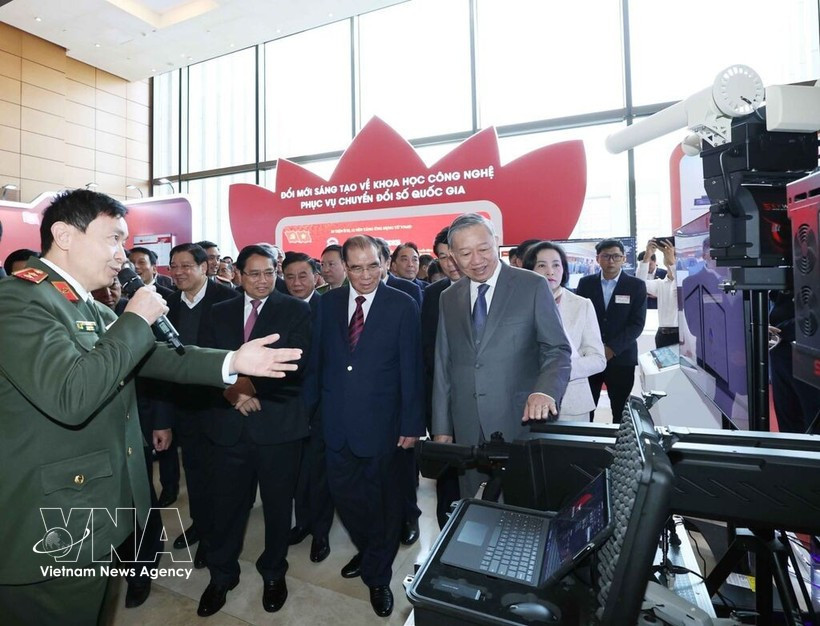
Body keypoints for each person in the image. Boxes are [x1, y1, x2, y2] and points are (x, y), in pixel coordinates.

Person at [0, 189, 302, 626]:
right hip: (52, 517)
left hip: (92, 505)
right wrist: (136, 319)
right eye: (113, 239)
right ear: (64, 235)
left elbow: (157, 357)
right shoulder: (19, 300)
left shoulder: (79, 300)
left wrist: (233, 362)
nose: (122, 256)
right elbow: (71, 396)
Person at [303, 235, 424, 618]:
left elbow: (412, 368)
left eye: (373, 265)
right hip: (335, 426)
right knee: (347, 500)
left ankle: (377, 574)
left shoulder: (402, 305)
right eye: (356, 267)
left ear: (385, 262)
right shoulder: (327, 303)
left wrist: (411, 423)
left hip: (383, 426)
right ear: (343, 268)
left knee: (384, 507)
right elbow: (317, 363)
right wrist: (309, 413)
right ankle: (371, 550)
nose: (365, 274)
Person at [197, 245, 312, 617]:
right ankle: (222, 575)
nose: (263, 281)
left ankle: (274, 571)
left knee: (279, 508)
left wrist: (247, 388)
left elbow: (297, 363)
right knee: (226, 506)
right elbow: (204, 359)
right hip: (229, 427)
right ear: (239, 275)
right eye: (254, 274)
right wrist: (233, 393)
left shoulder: (296, 310)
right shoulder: (219, 311)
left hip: (277, 427)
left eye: (269, 273)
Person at [432, 214, 571, 499]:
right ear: (452, 257)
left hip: (519, 421)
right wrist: (442, 428)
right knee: (475, 508)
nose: (476, 260)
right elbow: (444, 364)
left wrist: (545, 392)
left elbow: (557, 349)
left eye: (483, 249)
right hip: (468, 426)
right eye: (465, 253)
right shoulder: (449, 297)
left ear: (497, 243)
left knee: (524, 506)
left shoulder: (532, 285)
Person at [166, 243, 241, 568]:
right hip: (184, 407)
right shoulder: (165, 305)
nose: (179, 273)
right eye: (174, 267)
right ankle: (201, 524)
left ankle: (217, 538)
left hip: (222, 405)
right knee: (194, 472)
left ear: (204, 268)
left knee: (222, 477)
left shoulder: (228, 301)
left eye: (186, 266)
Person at [523, 241, 606, 420]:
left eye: (556, 265)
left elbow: (599, 360)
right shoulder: (518, 305)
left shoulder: (582, 305)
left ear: (564, 269)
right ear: (529, 271)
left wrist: (556, 371)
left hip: (573, 403)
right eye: (541, 265)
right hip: (527, 403)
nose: (550, 272)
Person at [575, 238, 647, 423]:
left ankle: (618, 449)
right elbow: (579, 319)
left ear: (624, 258)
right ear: (598, 259)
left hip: (621, 359)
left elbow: (636, 324)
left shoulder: (636, 286)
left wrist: (611, 349)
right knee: (585, 407)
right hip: (589, 358)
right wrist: (595, 349)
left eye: (616, 256)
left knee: (620, 411)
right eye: (606, 256)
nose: (611, 261)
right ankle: (585, 446)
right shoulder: (585, 284)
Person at [420, 226, 462, 528]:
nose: (449, 263)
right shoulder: (433, 294)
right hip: (443, 405)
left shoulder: (490, 291)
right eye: (442, 257)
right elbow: (426, 355)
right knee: (447, 479)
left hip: (484, 405)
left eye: (453, 254)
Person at [637, 239, 678, 348]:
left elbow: (681, 285)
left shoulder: (686, 281)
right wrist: (647, 257)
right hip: (662, 335)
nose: (670, 257)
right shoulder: (660, 284)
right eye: (667, 255)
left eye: (674, 255)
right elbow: (640, 285)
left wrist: (673, 262)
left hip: (681, 335)